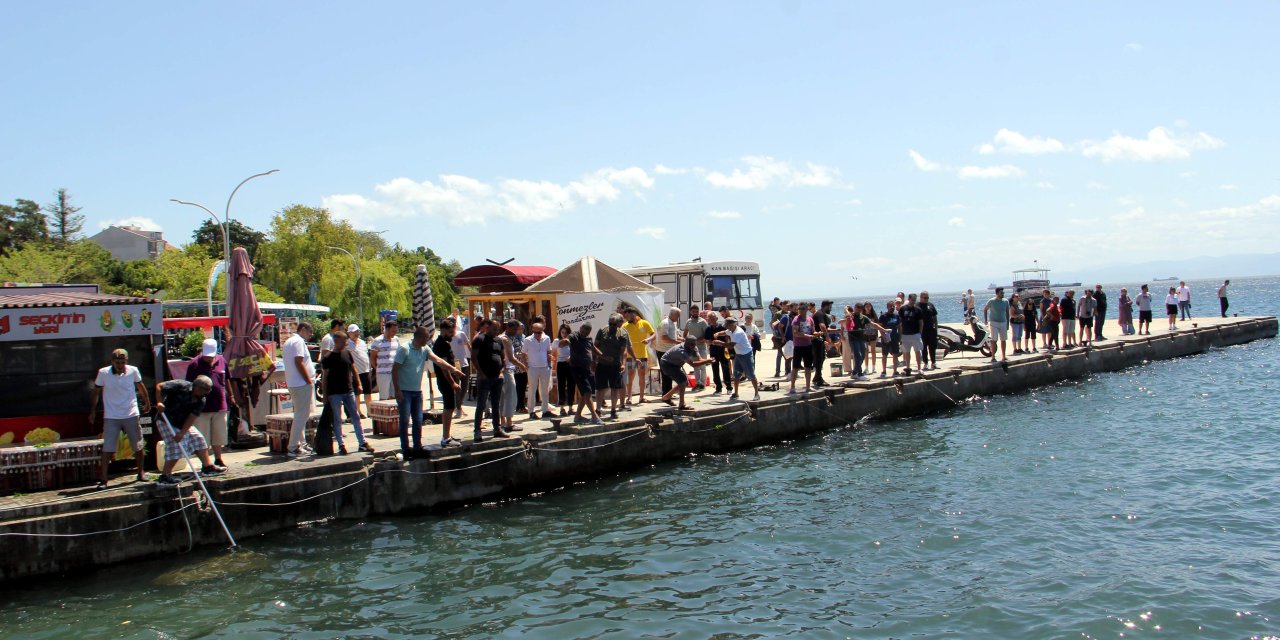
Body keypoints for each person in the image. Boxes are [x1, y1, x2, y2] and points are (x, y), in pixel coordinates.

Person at [393, 325, 462, 456]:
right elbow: (394, 369)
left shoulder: (425, 349)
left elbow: (438, 360)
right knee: (405, 420)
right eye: (427, 337)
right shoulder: (404, 349)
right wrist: (397, 390)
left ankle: (417, 447)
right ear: (420, 337)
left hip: (417, 391)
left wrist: (453, 369)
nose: (428, 340)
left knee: (418, 419)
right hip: (404, 390)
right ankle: (406, 449)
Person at [89, 348, 150, 488]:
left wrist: (147, 401)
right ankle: (103, 479)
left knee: (138, 445)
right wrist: (92, 410)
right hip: (111, 415)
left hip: (131, 412)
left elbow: (140, 386)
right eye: (117, 362)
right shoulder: (103, 373)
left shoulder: (133, 371)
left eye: (122, 362)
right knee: (108, 447)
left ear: (126, 361)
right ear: (112, 362)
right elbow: (96, 392)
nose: (120, 365)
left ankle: (140, 472)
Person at [154, 376, 225, 486]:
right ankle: (165, 476)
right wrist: (159, 402)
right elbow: (160, 386)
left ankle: (207, 467)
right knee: (176, 445)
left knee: (198, 439)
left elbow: (191, 417)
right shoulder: (181, 385)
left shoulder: (201, 400)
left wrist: (182, 432)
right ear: (197, 387)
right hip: (166, 420)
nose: (207, 393)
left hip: (182, 423)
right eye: (205, 389)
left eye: (209, 390)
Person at [320, 330, 372, 455]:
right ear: (337, 342)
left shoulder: (347, 353)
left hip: (348, 390)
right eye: (344, 342)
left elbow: (353, 369)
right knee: (338, 419)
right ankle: (341, 444)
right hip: (334, 392)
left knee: (355, 416)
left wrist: (358, 383)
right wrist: (325, 395)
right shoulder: (328, 358)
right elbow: (325, 377)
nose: (345, 344)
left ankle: (362, 442)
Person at [185, 339, 233, 468]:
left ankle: (218, 458)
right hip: (201, 408)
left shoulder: (222, 361)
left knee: (219, 435)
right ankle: (205, 463)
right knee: (202, 436)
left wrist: (231, 395)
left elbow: (227, 379)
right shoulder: (194, 364)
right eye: (206, 355)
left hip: (220, 404)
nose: (208, 358)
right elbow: (189, 385)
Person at [472, 319, 513, 441]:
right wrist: (481, 373)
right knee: (481, 404)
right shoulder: (479, 339)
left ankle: (497, 429)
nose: (496, 331)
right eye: (494, 329)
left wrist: (501, 371)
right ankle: (477, 431)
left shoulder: (498, 340)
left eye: (497, 329)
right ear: (487, 327)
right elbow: (474, 358)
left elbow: (503, 357)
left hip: (497, 377)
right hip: (484, 376)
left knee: (496, 404)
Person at [283, 321, 315, 458]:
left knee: (300, 414)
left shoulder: (290, 341)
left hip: (294, 383)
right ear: (302, 330)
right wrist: (308, 380)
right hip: (300, 384)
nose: (310, 335)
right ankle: (293, 447)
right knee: (301, 415)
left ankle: (300, 444)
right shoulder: (298, 342)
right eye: (309, 332)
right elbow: (299, 361)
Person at [432, 319, 465, 447]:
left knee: (450, 407)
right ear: (443, 330)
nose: (453, 334)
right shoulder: (441, 344)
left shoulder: (445, 343)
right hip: (445, 380)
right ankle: (445, 437)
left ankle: (448, 434)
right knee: (449, 407)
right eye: (451, 332)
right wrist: (452, 383)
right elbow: (444, 368)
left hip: (448, 379)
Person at [658, 337, 716, 410]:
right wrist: (707, 361)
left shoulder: (694, 347)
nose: (692, 346)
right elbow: (693, 364)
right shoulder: (681, 351)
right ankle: (681, 404)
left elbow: (699, 359)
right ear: (685, 343)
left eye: (694, 344)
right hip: (667, 364)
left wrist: (708, 360)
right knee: (683, 381)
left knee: (684, 383)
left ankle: (666, 397)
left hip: (676, 364)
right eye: (690, 344)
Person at [563, 322, 604, 424]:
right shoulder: (574, 336)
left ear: (589, 331)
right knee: (587, 392)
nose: (584, 332)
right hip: (577, 368)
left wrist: (603, 356)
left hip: (587, 369)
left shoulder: (589, 339)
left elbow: (593, 349)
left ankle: (577, 417)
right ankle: (594, 417)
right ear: (580, 328)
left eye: (587, 330)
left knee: (585, 393)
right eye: (583, 329)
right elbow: (567, 340)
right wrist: (564, 341)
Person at [595, 314, 633, 419]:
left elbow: (624, 351)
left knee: (615, 388)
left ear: (618, 324)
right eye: (610, 324)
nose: (611, 326)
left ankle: (613, 409)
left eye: (613, 324)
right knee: (601, 387)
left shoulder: (622, 333)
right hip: (602, 364)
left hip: (615, 364)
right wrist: (599, 358)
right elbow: (595, 346)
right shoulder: (602, 330)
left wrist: (623, 364)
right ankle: (598, 409)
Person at [717, 318, 761, 401]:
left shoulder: (738, 333)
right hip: (739, 355)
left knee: (751, 375)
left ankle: (757, 393)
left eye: (727, 325)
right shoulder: (731, 330)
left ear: (731, 325)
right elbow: (725, 332)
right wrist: (718, 333)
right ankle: (736, 393)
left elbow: (730, 346)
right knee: (736, 375)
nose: (726, 327)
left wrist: (719, 342)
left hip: (746, 355)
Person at [500, 320, 530, 434]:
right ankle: (508, 423)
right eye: (515, 329)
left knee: (503, 398)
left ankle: (502, 422)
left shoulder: (503, 338)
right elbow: (511, 358)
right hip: (507, 370)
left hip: (506, 369)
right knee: (510, 397)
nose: (517, 332)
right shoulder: (505, 339)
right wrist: (522, 365)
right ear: (508, 327)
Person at [621, 307, 655, 407]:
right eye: (625, 316)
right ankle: (629, 397)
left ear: (633, 314)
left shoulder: (645, 323)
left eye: (627, 315)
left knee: (642, 376)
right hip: (630, 355)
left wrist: (648, 339)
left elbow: (653, 335)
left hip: (642, 355)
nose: (626, 318)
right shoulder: (625, 326)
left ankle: (641, 397)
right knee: (630, 376)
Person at [524, 321, 555, 420]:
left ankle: (545, 410)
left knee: (545, 390)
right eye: (537, 332)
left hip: (544, 367)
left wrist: (549, 364)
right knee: (532, 390)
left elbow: (549, 351)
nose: (539, 334)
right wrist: (526, 365)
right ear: (533, 331)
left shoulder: (546, 338)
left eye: (540, 332)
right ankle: (531, 411)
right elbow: (523, 353)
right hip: (533, 367)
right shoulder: (528, 340)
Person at [346, 325, 373, 419]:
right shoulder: (347, 344)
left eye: (357, 331)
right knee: (357, 393)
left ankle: (370, 411)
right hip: (355, 373)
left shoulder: (362, 342)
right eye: (354, 332)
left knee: (368, 392)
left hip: (366, 370)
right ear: (349, 333)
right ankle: (358, 412)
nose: (356, 333)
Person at [369, 320, 401, 401]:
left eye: (396, 331)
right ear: (386, 329)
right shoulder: (377, 341)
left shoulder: (396, 339)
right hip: (383, 373)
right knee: (384, 396)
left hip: (395, 372)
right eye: (393, 331)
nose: (394, 333)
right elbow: (372, 357)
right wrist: (377, 368)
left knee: (394, 394)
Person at [788, 303, 816, 392]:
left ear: (807, 309)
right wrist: (807, 336)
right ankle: (792, 387)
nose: (801, 310)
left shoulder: (810, 319)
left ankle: (808, 386)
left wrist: (818, 334)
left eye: (803, 309)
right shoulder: (796, 320)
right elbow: (795, 333)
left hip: (808, 345)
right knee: (795, 367)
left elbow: (813, 331)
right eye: (799, 309)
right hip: (798, 346)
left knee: (808, 367)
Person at [656, 307, 683, 396]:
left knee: (670, 372)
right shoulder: (666, 323)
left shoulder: (673, 323)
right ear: (673, 314)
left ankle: (668, 393)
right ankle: (666, 394)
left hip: (669, 351)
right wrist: (676, 342)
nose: (678, 317)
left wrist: (683, 339)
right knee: (666, 373)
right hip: (663, 351)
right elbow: (664, 338)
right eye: (678, 315)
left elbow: (674, 336)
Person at [704, 311, 732, 394]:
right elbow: (706, 340)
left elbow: (727, 337)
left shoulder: (722, 327)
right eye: (710, 318)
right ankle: (718, 388)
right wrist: (711, 343)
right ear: (708, 319)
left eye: (713, 318)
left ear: (716, 318)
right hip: (713, 351)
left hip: (723, 350)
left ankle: (729, 388)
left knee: (725, 369)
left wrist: (726, 347)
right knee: (715, 370)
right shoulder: (708, 329)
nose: (712, 319)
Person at [897, 294, 924, 374]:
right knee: (906, 352)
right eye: (912, 300)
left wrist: (920, 333)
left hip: (915, 333)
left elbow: (921, 322)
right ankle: (908, 367)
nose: (913, 302)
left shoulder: (918, 309)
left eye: (915, 300)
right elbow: (900, 322)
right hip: (905, 334)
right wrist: (900, 335)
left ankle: (919, 368)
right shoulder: (903, 309)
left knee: (917, 350)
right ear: (909, 299)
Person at [683, 308, 710, 392]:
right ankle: (698, 384)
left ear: (699, 312)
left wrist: (696, 341)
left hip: (702, 347)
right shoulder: (688, 322)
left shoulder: (703, 322)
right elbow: (685, 334)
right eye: (693, 311)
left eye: (696, 311)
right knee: (696, 366)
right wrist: (688, 342)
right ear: (690, 312)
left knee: (703, 366)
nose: (695, 313)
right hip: (693, 349)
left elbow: (706, 335)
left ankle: (703, 384)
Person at [449, 316, 471, 419]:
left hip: (464, 362)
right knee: (457, 386)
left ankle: (460, 405)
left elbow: (468, 345)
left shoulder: (461, 334)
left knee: (465, 386)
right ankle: (458, 408)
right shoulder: (447, 337)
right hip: (454, 364)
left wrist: (473, 358)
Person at [983, 287, 1011, 362]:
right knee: (994, 339)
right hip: (994, 322)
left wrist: (1008, 323)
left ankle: (1003, 356)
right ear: (997, 293)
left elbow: (1007, 313)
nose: (1003, 294)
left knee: (1003, 339)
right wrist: (985, 320)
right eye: (1001, 293)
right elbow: (985, 309)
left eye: (1003, 293)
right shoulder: (992, 301)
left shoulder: (1006, 301)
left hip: (1003, 322)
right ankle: (993, 357)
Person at [811, 301, 834, 387]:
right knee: (819, 358)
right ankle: (819, 379)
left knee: (822, 358)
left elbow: (825, 327)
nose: (830, 309)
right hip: (817, 339)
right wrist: (827, 337)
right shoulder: (820, 314)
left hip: (819, 339)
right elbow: (822, 326)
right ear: (826, 306)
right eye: (830, 307)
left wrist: (838, 330)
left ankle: (816, 377)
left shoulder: (821, 314)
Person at [555, 324, 575, 417]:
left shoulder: (572, 340)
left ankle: (571, 407)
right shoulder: (557, 340)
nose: (564, 334)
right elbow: (556, 347)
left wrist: (571, 357)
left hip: (570, 364)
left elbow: (575, 350)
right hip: (561, 363)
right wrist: (566, 340)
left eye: (566, 332)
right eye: (562, 332)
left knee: (571, 385)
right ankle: (562, 407)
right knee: (561, 385)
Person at [878, 300, 901, 377]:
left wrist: (900, 337)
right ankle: (884, 371)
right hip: (886, 337)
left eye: (893, 306)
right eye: (890, 306)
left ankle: (895, 371)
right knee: (884, 354)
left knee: (895, 354)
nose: (892, 307)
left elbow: (899, 327)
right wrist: (883, 336)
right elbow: (880, 327)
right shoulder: (883, 316)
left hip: (894, 337)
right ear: (887, 307)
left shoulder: (896, 316)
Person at [771, 301, 793, 377]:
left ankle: (788, 372)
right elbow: (772, 324)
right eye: (785, 305)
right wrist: (776, 333)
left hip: (788, 337)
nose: (787, 307)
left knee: (789, 354)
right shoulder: (778, 314)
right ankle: (777, 371)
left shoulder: (791, 313)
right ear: (782, 305)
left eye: (788, 305)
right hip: (780, 337)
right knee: (780, 354)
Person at [918, 292, 939, 370]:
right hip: (922, 330)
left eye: (927, 298)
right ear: (921, 297)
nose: (926, 299)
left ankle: (933, 363)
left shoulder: (930, 305)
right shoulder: (917, 306)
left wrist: (936, 328)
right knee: (923, 347)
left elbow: (935, 317)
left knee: (932, 347)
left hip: (931, 330)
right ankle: (925, 363)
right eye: (925, 298)